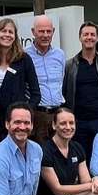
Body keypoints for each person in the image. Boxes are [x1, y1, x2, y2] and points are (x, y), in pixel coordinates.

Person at [62, 21, 98, 159]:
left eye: (92, 34)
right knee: (80, 158)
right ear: (80, 37)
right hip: (78, 121)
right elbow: (65, 92)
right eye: (85, 34)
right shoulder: (70, 65)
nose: (89, 37)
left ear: (97, 37)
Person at [0, 18, 41, 149]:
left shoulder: (24, 59)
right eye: (3, 31)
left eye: (11, 32)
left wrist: (24, 113)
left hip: (17, 126)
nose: (7, 35)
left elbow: (36, 94)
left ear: (15, 36)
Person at [24, 15, 66, 143]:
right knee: (40, 155)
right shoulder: (24, 55)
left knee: (60, 154)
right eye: (41, 31)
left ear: (53, 31)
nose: (45, 35)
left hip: (58, 113)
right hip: (38, 114)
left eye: (49, 31)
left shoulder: (60, 54)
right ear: (33, 32)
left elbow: (62, 82)